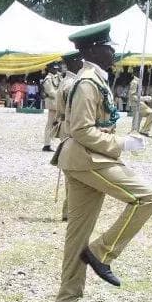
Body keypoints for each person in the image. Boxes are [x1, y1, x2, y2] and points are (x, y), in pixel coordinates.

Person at [52, 23, 152, 302]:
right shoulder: (87, 82)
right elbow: (82, 129)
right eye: (107, 46)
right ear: (91, 50)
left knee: (77, 234)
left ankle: (67, 301)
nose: (113, 50)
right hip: (88, 158)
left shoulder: (95, 79)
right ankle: (102, 252)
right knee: (147, 198)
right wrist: (122, 143)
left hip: (84, 158)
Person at [55, 50, 83, 222]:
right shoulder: (73, 83)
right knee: (73, 172)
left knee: (71, 171)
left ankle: (69, 210)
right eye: (81, 61)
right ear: (75, 63)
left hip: (65, 127)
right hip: (72, 129)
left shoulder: (66, 81)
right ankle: (70, 210)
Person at [127, 67, 152, 137]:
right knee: (151, 113)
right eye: (140, 72)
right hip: (136, 103)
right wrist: (144, 98)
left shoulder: (138, 81)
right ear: (136, 73)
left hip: (138, 103)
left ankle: (134, 131)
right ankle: (144, 131)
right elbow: (132, 96)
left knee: (137, 119)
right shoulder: (134, 82)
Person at [42, 62, 62, 151]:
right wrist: (62, 97)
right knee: (50, 124)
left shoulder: (58, 77)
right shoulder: (48, 79)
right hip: (53, 103)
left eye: (57, 68)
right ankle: (47, 144)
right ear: (49, 69)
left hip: (58, 104)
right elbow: (51, 92)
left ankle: (62, 143)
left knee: (60, 123)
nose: (56, 70)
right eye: (54, 68)